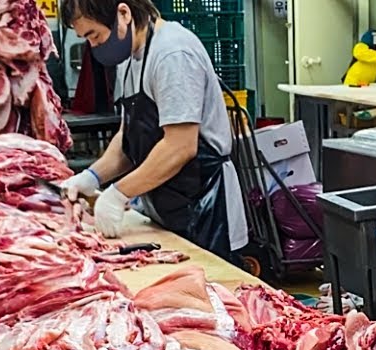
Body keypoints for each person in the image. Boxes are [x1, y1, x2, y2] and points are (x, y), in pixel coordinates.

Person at [58, 0, 248, 258]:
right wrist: (92, 176)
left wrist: (118, 193)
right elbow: (129, 137)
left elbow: (180, 146)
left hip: (207, 209)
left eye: (95, 35)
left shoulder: (172, 53)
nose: (93, 46)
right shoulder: (129, 59)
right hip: (168, 207)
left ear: (123, 14)